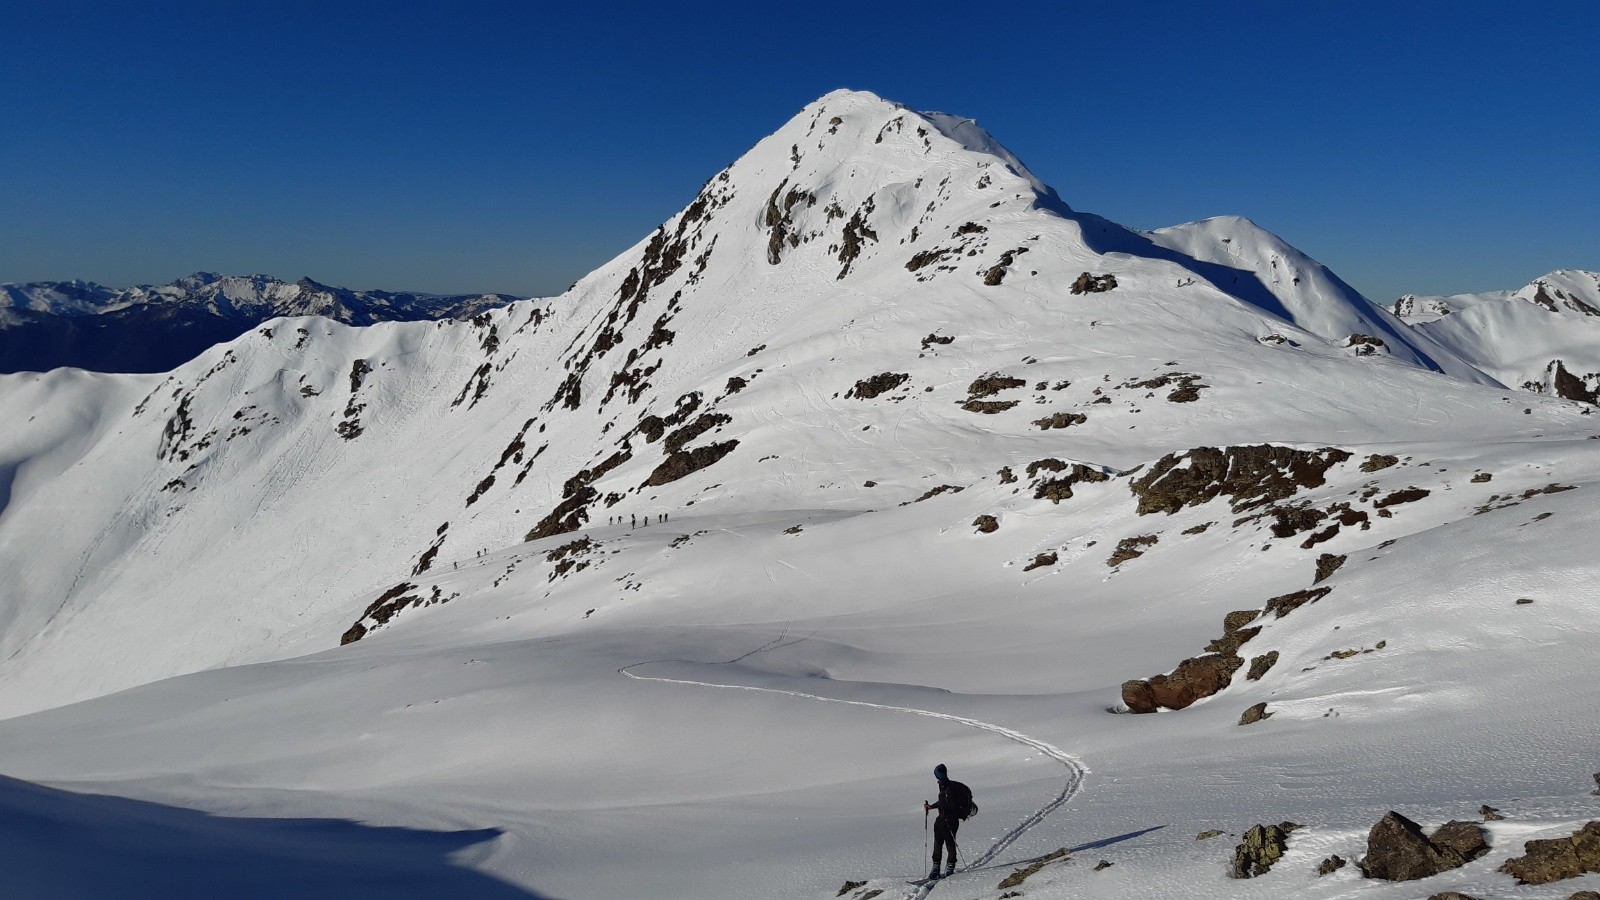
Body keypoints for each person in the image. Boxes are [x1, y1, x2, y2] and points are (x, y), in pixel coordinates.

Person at [923, 763, 975, 879]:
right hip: (941, 820)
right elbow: (943, 801)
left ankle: (948, 868)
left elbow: (950, 804)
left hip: (950, 821)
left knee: (949, 845)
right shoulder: (944, 786)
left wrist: (941, 808)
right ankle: (937, 868)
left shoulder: (949, 789)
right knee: (938, 843)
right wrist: (932, 806)